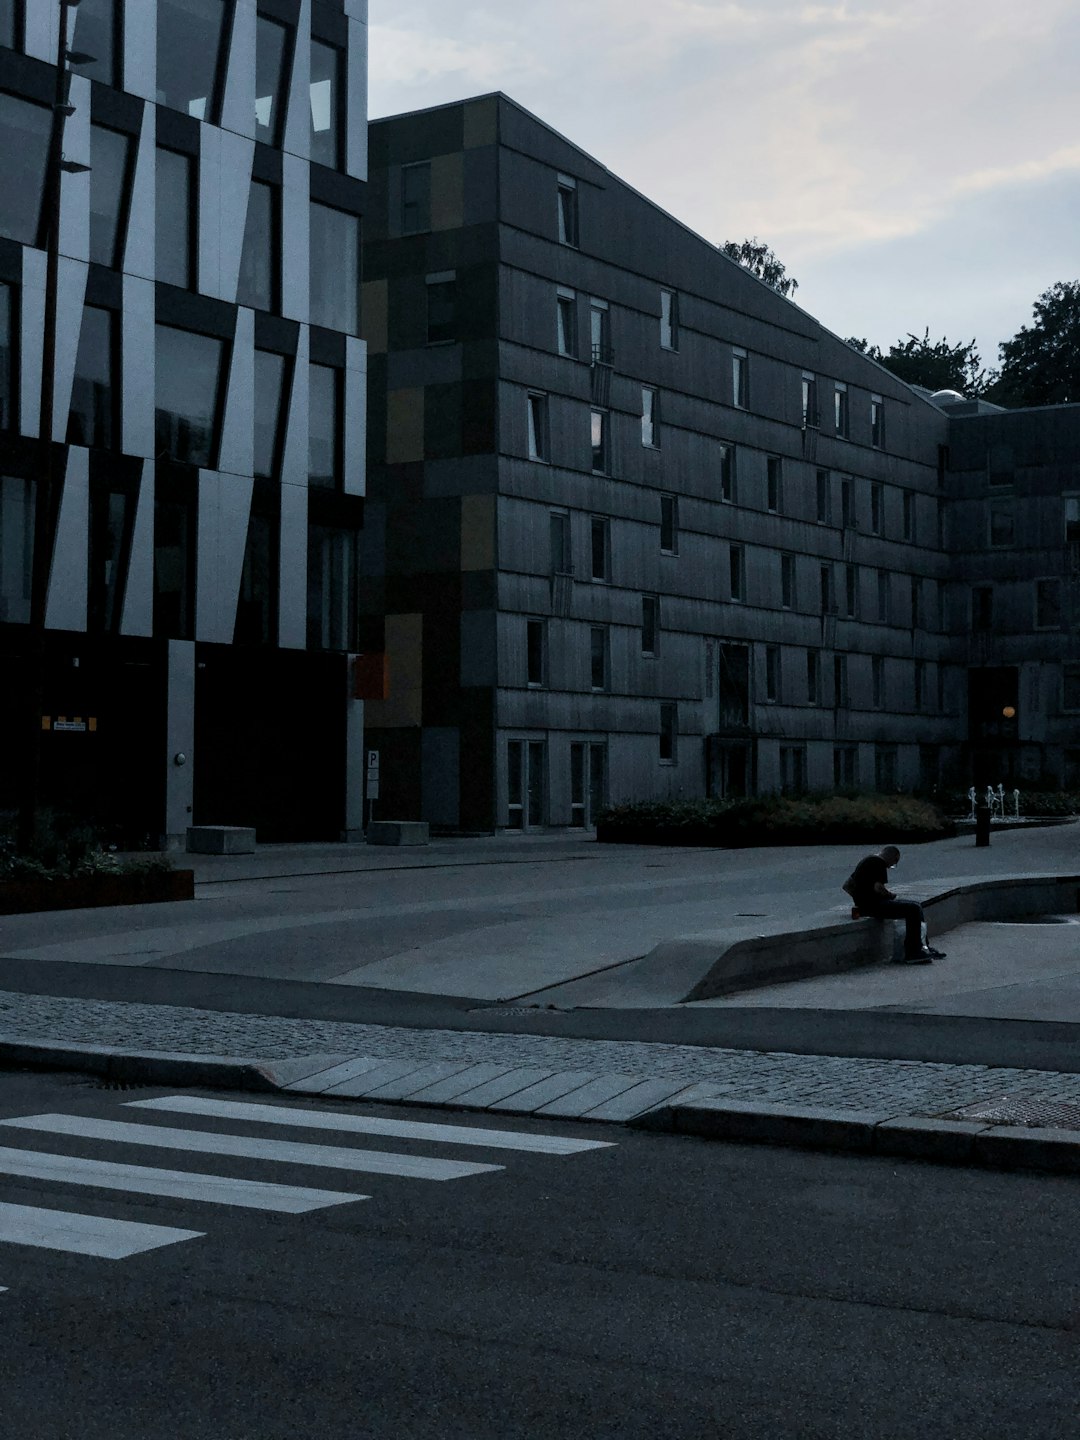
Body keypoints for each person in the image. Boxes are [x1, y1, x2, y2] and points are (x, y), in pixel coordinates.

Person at [843, 846, 945, 964]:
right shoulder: (879, 862)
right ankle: (913, 951)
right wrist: (890, 895)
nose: (892, 865)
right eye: (895, 861)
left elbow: (847, 886)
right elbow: (878, 887)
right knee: (914, 909)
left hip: (865, 906)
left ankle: (923, 946)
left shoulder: (866, 860)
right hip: (874, 906)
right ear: (891, 857)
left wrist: (859, 900)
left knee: (915, 906)